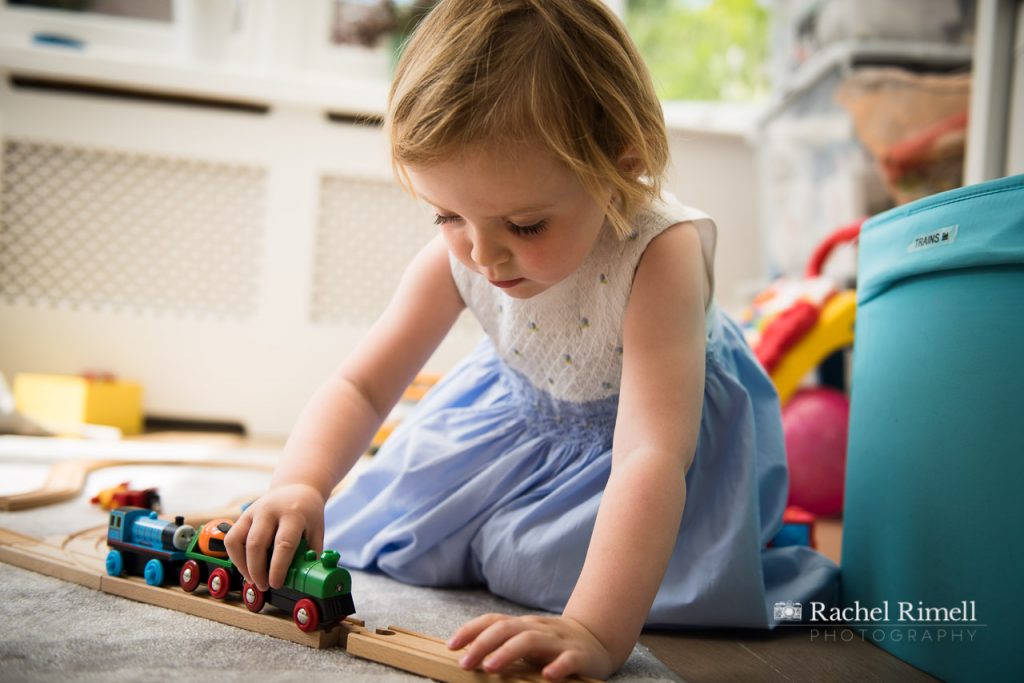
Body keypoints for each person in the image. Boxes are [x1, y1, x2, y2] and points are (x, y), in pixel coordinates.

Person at [225, 0, 839, 679]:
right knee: (392, 524)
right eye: (447, 214)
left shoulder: (661, 254)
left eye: (524, 225)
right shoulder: (464, 249)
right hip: (522, 416)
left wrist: (594, 630)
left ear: (621, 163)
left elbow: (651, 456)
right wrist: (301, 481)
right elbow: (361, 385)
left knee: (541, 566)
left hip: (649, 449)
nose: (483, 256)